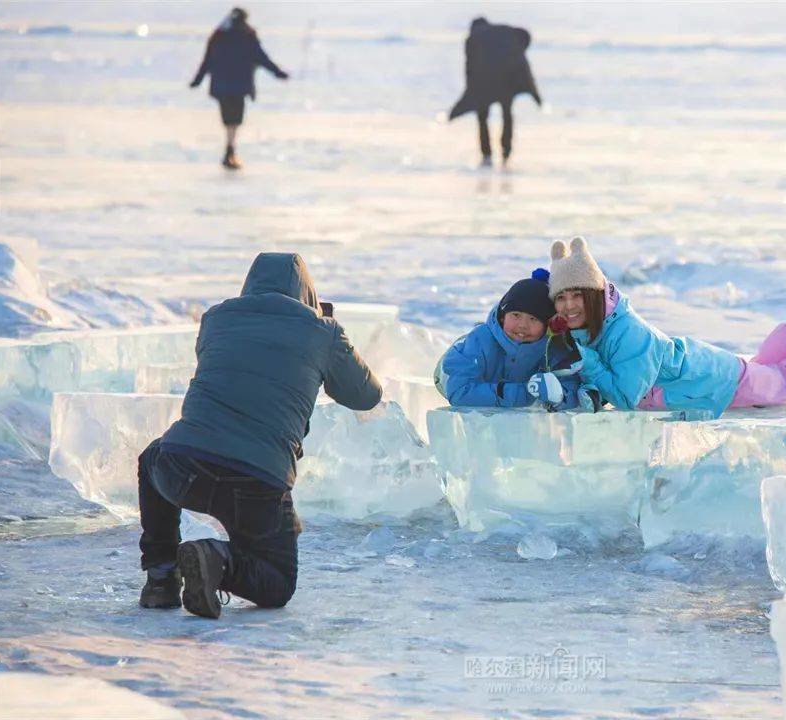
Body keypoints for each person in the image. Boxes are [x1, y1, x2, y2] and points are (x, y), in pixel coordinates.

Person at [137, 253, 381, 619]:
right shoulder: (322, 331)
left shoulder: (216, 318)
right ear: (308, 294)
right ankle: (217, 559)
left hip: (182, 466)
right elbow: (366, 395)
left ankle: (160, 579)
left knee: (152, 457)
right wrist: (330, 331)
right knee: (276, 583)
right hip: (257, 482)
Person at [546, 236, 786, 413]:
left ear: (593, 294)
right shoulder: (598, 326)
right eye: (561, 297)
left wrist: (588, 363)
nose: (568, 305)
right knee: (766, 367)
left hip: (712, 380)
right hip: (702, 372)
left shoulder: (627, 332)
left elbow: (626, 396)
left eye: (577, 294)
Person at [436, 269, 585, 410]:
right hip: (448, 375)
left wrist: (557, 396)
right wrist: (522, 394)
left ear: (546, 326)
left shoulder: (552, 349)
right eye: (516, 315)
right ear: (502, 316)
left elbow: (572, 387)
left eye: (533, 319)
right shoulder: (479, 341)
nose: (522, 325)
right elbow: (459, 391)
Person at [189, 7, 289, 170]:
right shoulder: (246, 35)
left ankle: (229, 150)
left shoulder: (219, 36)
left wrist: (197, 81)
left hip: (223, 86)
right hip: (238, 86)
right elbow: (261, 57)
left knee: (229, 119)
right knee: (234, 120)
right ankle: (230, 150)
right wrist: (278, 73)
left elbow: (207, 61)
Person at [448, 17, 542, 167]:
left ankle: (486, 154)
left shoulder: (473, 39)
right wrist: (536, 95)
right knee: (507, 114)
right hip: (507, 80)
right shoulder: (505, 31)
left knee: (482, 117)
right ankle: (506, 151)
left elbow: (469, 68)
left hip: (484, 82)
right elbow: (524, 37)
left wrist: (470, 92)